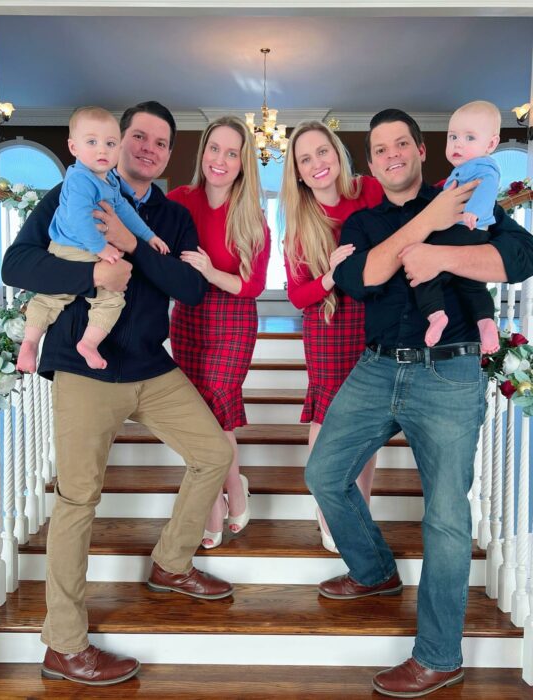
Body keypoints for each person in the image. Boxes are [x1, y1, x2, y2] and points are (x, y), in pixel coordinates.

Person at [1, 101, 235, 687]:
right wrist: (92, 275)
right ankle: (64, 645)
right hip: (83, 369)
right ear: (111, 141)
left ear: (168, 154)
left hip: (151, 368)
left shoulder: (172, 216)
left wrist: (130, 245)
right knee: (79, 500)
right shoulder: (69, 193)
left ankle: (171, 563)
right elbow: (17, 263)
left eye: (161, 142)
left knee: (213, 453)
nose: (147, 149)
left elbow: (191, 286)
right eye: (138, 137)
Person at [305, 108, 533, 698]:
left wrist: (443, 253)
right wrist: (427, 223)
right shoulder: (363, 218)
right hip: (377, 366)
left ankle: (439, 657)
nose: (392, 155)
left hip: (450, 373)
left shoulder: (469, 191)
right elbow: (360, 278)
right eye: (380, 149)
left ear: (422, 149)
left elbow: (520, 257)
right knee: (324, 472)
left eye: (401, 144)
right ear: (372, 160)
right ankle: (376, 571)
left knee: (446, 518)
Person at [167, 116, 270, 549]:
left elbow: (253, 285)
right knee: (198, 415)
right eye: (215, 149)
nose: (221, 160)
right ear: (203, 153)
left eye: (232, 153)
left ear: (244, 161)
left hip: (232, 319)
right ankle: (225, 491)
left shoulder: (251, 214)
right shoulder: (177, 200)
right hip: (188, 318)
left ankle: (227, 496)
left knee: (217, 406)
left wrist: (210, 271)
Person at [280, 121, 382, 553]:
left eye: (323, 151)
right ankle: (327, 510)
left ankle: (363, 508)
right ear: (298, 173)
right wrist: (330, 275)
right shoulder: (300, 222)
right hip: (328, 323)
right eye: (306, 159)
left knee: (369, 419)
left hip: (376, 318)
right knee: (327, 418)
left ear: (338, 153)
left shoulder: (372, 192)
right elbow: (298, 296)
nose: (317, 163)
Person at [16, 106, 169, 374]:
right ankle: (43, 343)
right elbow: (78, 220)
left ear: (118, 147)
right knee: (101, 298)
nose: (102, 150)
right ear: (73, 147)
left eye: (110, 143)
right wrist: (102, 247)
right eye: (92, 142)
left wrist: (149, 236)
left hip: (86, 250)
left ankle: (59, 343)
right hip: (73, 249)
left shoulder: (107, 180)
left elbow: (123, 211)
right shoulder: (78, 181)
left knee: (59, 299)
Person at [415, 100, 501, 352]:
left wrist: (474, 210)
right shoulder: (463, 170)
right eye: (452, 136)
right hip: (472, 234)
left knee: (423, 271)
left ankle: (436, 315)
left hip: (463, 228)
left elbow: (487, 188)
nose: (458, 144)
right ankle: (485, 322)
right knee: (472, 285)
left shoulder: (484, 167)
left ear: (491, 144)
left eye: (469, 137)